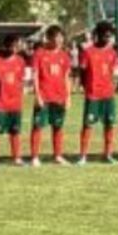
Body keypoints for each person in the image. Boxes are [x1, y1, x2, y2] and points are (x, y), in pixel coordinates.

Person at [79, 22, 118, 165]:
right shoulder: (88, 52)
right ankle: (83, 156)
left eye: (110, 35)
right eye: (106, 35)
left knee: (109, 124)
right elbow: (82, 73)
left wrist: (113, 87)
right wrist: (87, 87)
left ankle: (107, 154)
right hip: (93, 95)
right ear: (99, 35)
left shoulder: (112, 53)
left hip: (108, 95)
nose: (108, 38)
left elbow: (113, 73)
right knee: (88, 125)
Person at [32, 25, 72, 166]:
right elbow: (35, 75)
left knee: (58, 126)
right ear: (49, 38)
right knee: (38, 126)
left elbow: (67, 77)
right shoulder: (39, 53)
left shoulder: (65, 56)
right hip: (44, 96)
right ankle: (35, 157)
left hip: (59, 96)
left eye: (61, 37)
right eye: (56, 37)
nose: (59, 40)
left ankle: (58, 156)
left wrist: (68, 97)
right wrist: (37, 95)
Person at [0, 35, 28, 167]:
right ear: (7, 45)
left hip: (16, 102)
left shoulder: (21, 61)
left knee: (15, 131)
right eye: (14, 45)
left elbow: (21, 81)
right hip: (1, 103)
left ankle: (16, 157)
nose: (16, 47)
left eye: (18, 45)